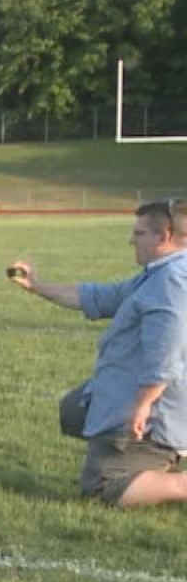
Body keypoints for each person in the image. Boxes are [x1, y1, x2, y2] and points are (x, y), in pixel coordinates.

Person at [10, 199, 187, 507]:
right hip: (135, 391)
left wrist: (143, 404)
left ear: (165, 237)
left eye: (139, 233)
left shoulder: (171, 282)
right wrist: (36, 286)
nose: (131, 240)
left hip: (158, 411)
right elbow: (101, 297)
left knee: (101, 488)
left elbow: (166, 349)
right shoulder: (158, 274)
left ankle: (166, 465)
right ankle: (149, 456)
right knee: (74, 410)